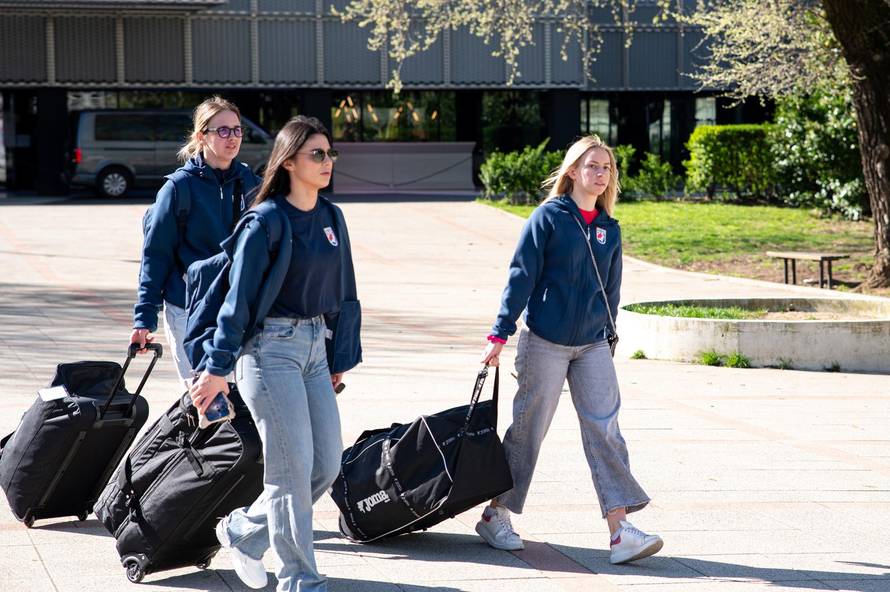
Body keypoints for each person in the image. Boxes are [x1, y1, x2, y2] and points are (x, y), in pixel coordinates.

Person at [189, 116, 361, 591]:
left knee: (325, 464)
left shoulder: (331, 217)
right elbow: (237, 302)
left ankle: (245, 530)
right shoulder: (265, 222)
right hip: (268, 353)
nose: (328, 163)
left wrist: (339, 357)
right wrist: (217, 368)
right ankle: (301, 580)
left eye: (330, 154)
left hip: (315, 350)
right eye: (317, 155)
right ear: (288, 162)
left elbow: (345, 291)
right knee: (289, 473)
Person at [476, 135, 663, 565]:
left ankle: (620, 532)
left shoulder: (609, 229)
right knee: (529, 431)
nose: (600, 174)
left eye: (607, 169)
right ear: (573, 171)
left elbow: (611, 292)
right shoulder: (549, 218)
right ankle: (495, 513)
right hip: (544, 341)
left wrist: (608, 339)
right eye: (593, 166)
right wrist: (499, 334)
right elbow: (521, 276)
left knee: (605, 429)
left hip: (593, 344)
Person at [131, 96, 261, 382]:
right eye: (223, 130)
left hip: (237, 308)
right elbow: (155, 256)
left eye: (237, 130)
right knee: (203, 403)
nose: (233, 138)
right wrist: (144, 318)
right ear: (202, 135)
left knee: (240, 404)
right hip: (188, 309)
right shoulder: (178, 188)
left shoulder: (249, 182)